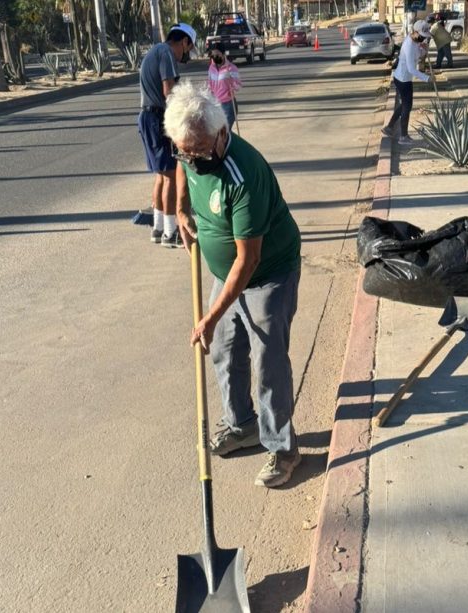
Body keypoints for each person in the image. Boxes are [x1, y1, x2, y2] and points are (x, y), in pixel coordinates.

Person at [164, 81, 303, 488]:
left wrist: (209, 316)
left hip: (267, 274)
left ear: (222, 133)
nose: (194, 161)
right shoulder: (192, 149)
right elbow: (182, 165)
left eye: (201, 152)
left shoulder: (242, 176)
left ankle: (283, 448)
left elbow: (249, 261)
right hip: (227, 274)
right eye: (185, 151)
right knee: (224, 351)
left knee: (268, 362)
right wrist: (181, 208)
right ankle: (242, 423)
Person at [137, 23, 197, 246]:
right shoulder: (167, 53)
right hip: (156, 118)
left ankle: (158, 227)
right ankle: (171, 233)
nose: (185, 55)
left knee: (162, 175)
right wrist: (182, 119)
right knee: (171, 174)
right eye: (187, 49)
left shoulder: (156, 51)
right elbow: (169, 92)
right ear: (184, 41)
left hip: (147, 117)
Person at [382, 20, 432, 146]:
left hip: (404, 78)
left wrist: (424, 50)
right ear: (415, 32)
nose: (422, 39)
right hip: (403, 79)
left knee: (404, 105)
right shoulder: (409, 45)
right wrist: (427, 78)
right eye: (421, 36)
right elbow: (411, 69)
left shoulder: (415, 42)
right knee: (407, 107)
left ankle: (389, 128)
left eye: (424, 37)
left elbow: (418, 55)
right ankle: (403, 137)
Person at [206, 44, 242, 130]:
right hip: (215, 104)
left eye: (217, 55)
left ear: (223, 54)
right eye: (213, 55)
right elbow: (209, 84)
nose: (215, 57)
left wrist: (231, 82)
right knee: (218, 132)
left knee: (225, 131)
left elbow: (238, 87)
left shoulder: (231, 68)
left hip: (228, 105)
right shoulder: (211, 68)